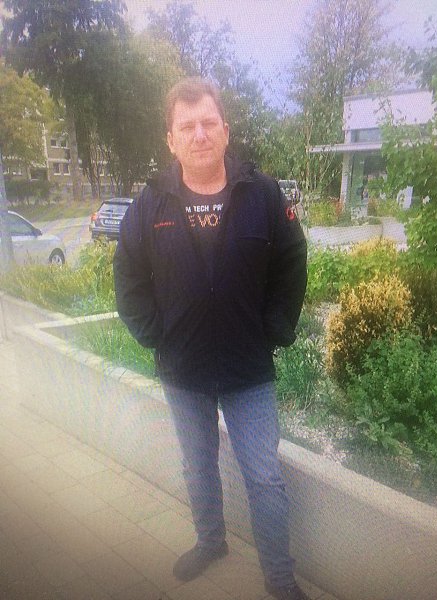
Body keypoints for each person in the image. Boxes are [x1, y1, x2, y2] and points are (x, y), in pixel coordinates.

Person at [113, 77, 308, 600]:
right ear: (171, 140)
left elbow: (292, 260)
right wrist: (153, 334)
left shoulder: (263, 195)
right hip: (184, 369)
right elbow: (127, 274)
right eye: (187, 126)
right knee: (197, 467)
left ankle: (280, 577)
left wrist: (277, 327)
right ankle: (211, 542)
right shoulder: (151, 203)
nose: (198, 134)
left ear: (225, 130)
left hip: (248, 369)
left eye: (207, 123)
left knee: (264, 476)